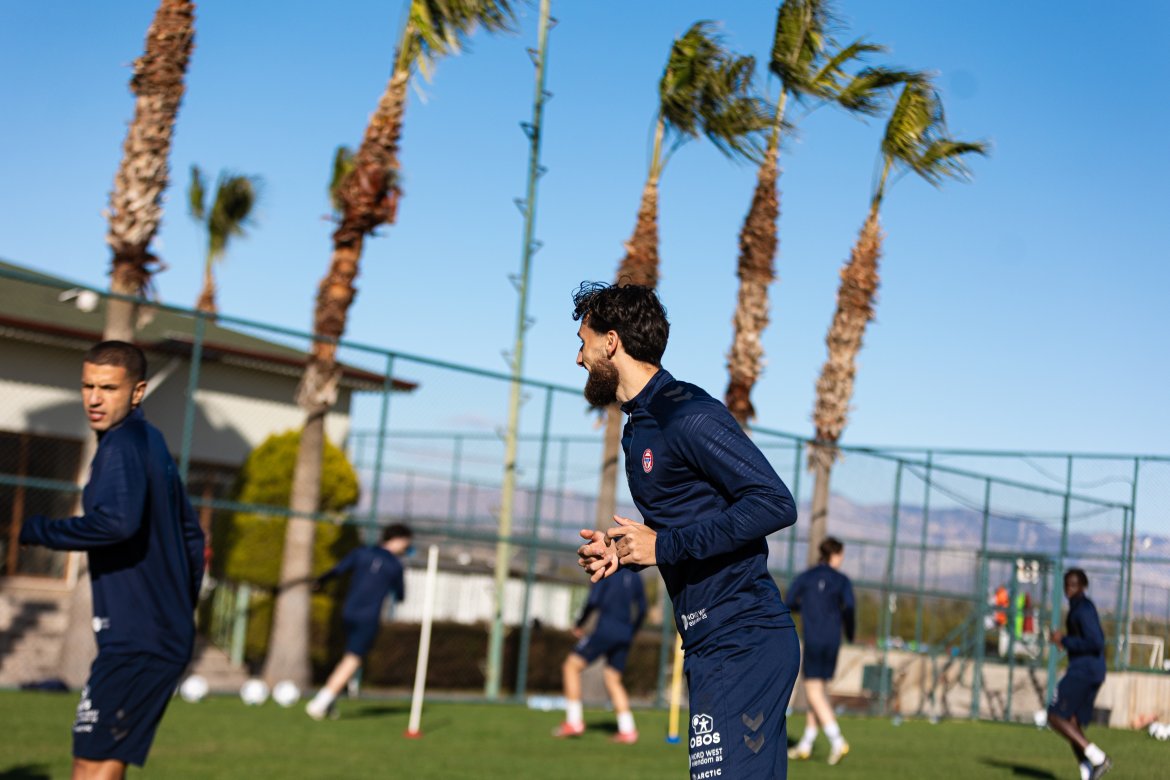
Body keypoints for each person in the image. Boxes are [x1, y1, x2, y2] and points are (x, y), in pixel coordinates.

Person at [572, 281, 800, 779]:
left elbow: (774, 503)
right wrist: (623, 549)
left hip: (743, 638)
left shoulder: (686, 412)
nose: (578, 358)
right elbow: (685, 521)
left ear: (611, 342)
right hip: (710, 642)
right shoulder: (639, 428)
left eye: (583, 343)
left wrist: (663, 545)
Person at [19, 341, 205, 779]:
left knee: (91, 761)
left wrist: (37, 530)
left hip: (140, 639)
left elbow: (116, 524)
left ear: (137, 392)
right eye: (88, 386)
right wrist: (176, 608)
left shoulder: (122, 445)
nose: (94, 399)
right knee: (96, 757)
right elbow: (192, 536)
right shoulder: (149, 441)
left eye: (108, 388)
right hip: (150, 633)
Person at [305, 523, 412, 720]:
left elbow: (337, 570)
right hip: (368, 617)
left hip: (348, 612)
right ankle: (321, 702)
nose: (406, 547)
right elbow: (400, 595)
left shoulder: (361, 553)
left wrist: (319, 581)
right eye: (406, 543)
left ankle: (330, 702)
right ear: (398, 540)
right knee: (354, 658)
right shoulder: (395, 565)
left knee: (347, 656)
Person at [554, 566, 647, 743]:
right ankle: (628, 730)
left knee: (570, 666)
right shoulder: (635, 576)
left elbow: (593, 600)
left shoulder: (606, 570)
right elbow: (642, 609)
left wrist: (580, 623)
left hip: (605, 630)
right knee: (613, 678)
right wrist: (632, 631)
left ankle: (573, 722)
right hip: (625, 634)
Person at [785, 537, 855, 766]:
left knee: (813, 691)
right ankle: (806, 743)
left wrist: (805, 607)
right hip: (832, 641)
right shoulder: (842, 580)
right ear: (835, 555)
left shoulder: (806, 577)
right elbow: (850, 608)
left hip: (814, 639)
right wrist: (850, 633)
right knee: (819, 690)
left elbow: (789, 601)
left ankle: (837, 740)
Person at [1047, 568, 1112, 780]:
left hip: (1085, 671)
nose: (1069, 589)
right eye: (1067, 584)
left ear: (1083, 586)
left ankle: (1098, 758)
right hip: (1089, 670)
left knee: (1054, 716)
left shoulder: (1083, 608)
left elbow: (1096, 642)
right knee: (1071, 722)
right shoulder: (1078, 607)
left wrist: (1065, 640)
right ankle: (1088, 772)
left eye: (1074, 585)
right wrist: (1065, 641)